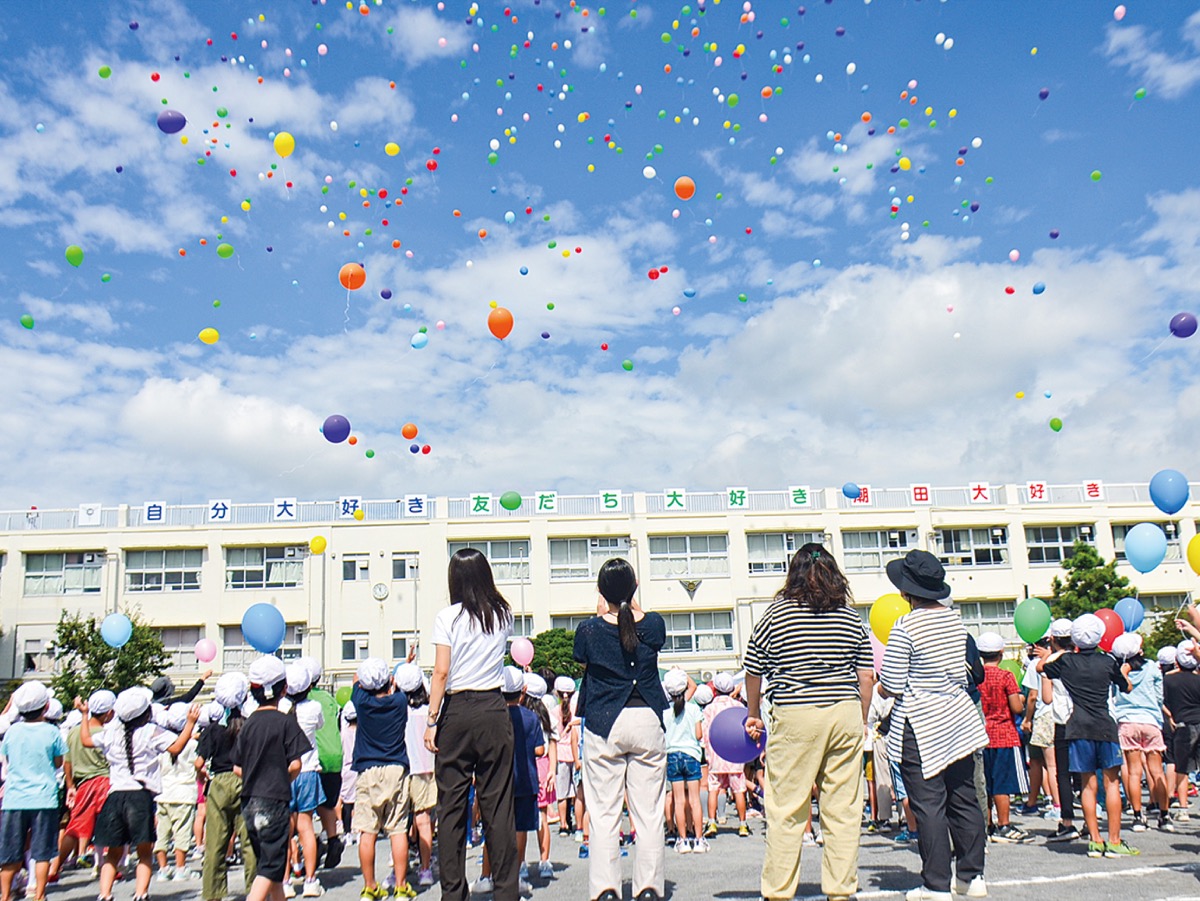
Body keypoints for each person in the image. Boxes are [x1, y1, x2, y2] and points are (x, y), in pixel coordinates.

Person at [744, 543, 873, 901]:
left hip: (796, 712)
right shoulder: (849, 616)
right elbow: (866, 674)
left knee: (786, 808)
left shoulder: (777, 614)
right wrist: (862, 718)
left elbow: (753, 667)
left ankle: (778, 891)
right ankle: (840, 891)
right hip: (844, 711)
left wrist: (753, 713)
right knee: (843, 809)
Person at [878, 550, 988, 901]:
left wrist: (880, 688)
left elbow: (892, 683)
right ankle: (971, 876)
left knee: (929, 805)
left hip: (922, 722)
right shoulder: (956, 622)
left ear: (907, 591)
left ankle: (936, 884)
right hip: (959, 719)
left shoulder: (906, 626)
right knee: (964, 798)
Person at [424, 547, 519, 901]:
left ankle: (453, 893)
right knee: (498, 805)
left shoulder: (447, 617)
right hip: (494, 708)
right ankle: (506, 891)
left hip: (457, 710)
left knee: (451, 807)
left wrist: (431, 720)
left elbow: (441, 672)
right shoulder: (503, 613)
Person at [573, 557, 668, 901]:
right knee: (649, 812)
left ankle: (606, 889)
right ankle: (648, 887)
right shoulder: (654, 625)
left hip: (605, 721)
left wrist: (605, 608)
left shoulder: (589, 629)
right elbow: (642, 626)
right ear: (635, 587)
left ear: (600, 591)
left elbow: (582, 657)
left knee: (604, 813)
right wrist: (629, 598)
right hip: (646, 718)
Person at [81, 687, 201, 901]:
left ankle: (105, 894)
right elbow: (176, 747)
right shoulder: (151, 731)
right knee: (144, 852)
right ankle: (140, 893)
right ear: (146, 712)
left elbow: (86, 740)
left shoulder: (111, 732)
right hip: (140, 796)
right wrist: (190, 723)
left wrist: (84, 715)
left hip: (115, 796)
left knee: (113, 852)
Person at [1038, 613, 1135, 859]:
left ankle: (1095, 840)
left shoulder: (1067, 662)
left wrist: (1051, 652)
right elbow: (1126, 687)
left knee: (1087, 784)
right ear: (1100, 637)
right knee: (1111, 783)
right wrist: (1124, 671)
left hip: (1077, 726)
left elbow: (1042, 668)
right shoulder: (1107, 661)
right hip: (1104, 725)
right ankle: (1114, 840)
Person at [234, 656, 313, 901]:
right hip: (275, 800)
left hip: (249, 801)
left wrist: (255, 777)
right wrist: (282, 778)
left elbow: (237, 767)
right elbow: (296, 764)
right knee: (270, 868)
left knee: (271, 866)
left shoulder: (247, 725)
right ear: (284, 689)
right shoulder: (285, 722)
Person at [473, 667, 543, 896]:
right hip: (525, 779)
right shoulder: (531, 717)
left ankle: (486, 875)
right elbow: (540, 749)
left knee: (492, 828)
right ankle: (517, 873)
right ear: (523, 691)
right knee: (520, 829)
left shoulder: (491, 717)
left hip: (496, 779)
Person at [351, 657, 415, 900]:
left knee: (367, 831)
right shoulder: (399, 702)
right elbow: (397, 684)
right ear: (388, 681)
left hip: (368, 769)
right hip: (396, 767)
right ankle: (401, 886)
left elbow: (357, 680)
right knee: (398, 829)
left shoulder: (361, 702)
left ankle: (370, 886)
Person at [0, 681, 67, 901]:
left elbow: (7, 758)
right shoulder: (52, 732)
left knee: (10, 852)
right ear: (46, 707)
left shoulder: (12, 731)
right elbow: (58, 762)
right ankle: (39, 894)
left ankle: (5, 895)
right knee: (41, 852)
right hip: (44, 797)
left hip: (14, 797)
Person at [196, 672, 257, 901]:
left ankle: (213, 893)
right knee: (249, 841)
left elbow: (199, 762)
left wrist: (202, 775)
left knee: (216, 842)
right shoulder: (249, 725)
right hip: (245, 779)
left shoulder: (213, 729)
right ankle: (255, 890)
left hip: (219, 782)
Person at [49, 689, 114, 880]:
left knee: (75, 827)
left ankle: (55, 868)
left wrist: (70, 785)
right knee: (109, 825)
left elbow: (67, 761)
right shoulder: (106, 733)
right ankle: (108, 865)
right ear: (109, 713)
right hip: (105, 780)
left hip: (82, 783)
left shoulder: (74, 731)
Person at [974, 633, 1031, 843]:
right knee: (1002, 784)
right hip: (1004, 734)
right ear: (1001, 653)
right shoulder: (1006, 676)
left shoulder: (975, 677)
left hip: (981, 734)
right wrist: (1021, 700)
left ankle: (987, 823)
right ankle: (1004, 824)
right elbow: (1016, 707)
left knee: (985, 783)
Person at [1110, 632, 1168, 833]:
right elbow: (1159, 697)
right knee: (1157, 771)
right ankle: (1164, 815)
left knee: (1134, 772)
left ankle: (1137, 816)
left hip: (1127, 721)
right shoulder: (1151, 667)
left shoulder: (1117, 670)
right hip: (1150, 720)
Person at [297, 657, 345, 871]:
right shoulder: (328, 698)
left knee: (304, 811)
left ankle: (309, 849)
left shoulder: (302, 701)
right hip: (335, 755)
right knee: (327, 803)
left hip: (312, 759)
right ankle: (332, 838)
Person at [284, 664, 325, 898]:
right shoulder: (314, 707)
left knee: (285, 830)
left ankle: (285, 881)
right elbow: (320, 725)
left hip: (285, 772)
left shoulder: (281, 708)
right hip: (308, 770)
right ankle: (310, 880)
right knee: (306, 827)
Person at [395, 663, 437, 887]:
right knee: (424, 821)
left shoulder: (397, 711)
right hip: (426, 770)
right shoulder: (430, 712)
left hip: (403, 769)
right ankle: (425, 869)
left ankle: (397, 872)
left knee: (399, 823)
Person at [1043, 619, 1081, 843]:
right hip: (1084, 718)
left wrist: (1046, 656)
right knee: (1086, 772)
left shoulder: (1052, 662)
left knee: (1063, 774)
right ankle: (1091, 818)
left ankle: (1067, 822)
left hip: (1062, 720)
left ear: (1053, 639)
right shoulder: (1081, 658)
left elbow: (1047, 697)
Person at [154, 703, 201, 880]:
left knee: (162, 832)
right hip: (184, 792)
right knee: (182, 832)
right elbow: (198, 765)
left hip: (164, 792)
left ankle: (163, 868)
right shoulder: (192, 744)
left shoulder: (161, 743)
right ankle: (180, 867)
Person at [661, 669, 705, 854]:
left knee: (678, 800)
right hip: (691, 754)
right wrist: (681, 672)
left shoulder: (665, 711)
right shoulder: (693, 709)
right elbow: (699, 735)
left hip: (672, 755)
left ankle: (683, 840)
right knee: (694, 800)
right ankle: (699, 840)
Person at [702, 672, 749, 838]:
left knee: (713, 788)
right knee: (739, 789)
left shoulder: (709, 709)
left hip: (716, 754)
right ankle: (743, 825)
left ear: (715, 688)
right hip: (735, 754)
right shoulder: (739, 707)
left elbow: (705, 733)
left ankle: (711, 821)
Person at [521, 672, 558, 880]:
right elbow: (553, 742)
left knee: (521, 819)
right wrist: (552, 769)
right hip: (543, 766)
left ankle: (521, 863)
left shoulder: (521, 715)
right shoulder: (546, 715)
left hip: (525, 764)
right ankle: (545, 861)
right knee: (542, 816)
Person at [1163, 631, 1200, 822]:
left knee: (1182, 768)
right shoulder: (1198, 679)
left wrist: (1170, 715)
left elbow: (1161, 700)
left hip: (1182, 725)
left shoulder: (1169, 680)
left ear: (1176, 660)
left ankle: (1183, 807)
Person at [553, 677, 579, 836]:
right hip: (576, 753)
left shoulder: (554, 711)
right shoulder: (577, 708)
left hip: (560, 753)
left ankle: (563, 824)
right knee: (578, 792)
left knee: (562, 793)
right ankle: (579, 824)